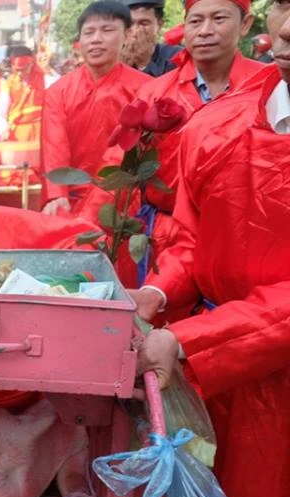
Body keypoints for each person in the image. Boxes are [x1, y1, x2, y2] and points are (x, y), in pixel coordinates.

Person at [134, 1, 290, 497]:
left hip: (241, 356)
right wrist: (161, 293)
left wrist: (193, 339)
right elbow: (191, 238)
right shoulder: (218, 125)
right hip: (227, 379)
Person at [132, 0, 260, 288]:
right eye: (195, 21)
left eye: (218, 19)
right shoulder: (153, 91)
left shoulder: (266, 87)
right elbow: (121, 165)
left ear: (246, 24)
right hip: (166, 238)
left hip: (243, 238)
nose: (205, 31)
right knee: (159, 313)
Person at [41, 1, 150, 227]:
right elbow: (54, 148)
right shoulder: (58, 91)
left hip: (124, 199)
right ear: (80, 40)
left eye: (107, 30)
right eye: (88, 32)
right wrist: (56, 194)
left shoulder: (146, 89)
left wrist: (95, 209)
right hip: (68, 199)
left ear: (127, 35)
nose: (96, 39)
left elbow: (126, 155)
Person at [0, 45, 46, 142]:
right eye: (17, 70)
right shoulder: (9, 84)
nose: (19, 73)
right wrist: (3, 129)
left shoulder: (45, 80)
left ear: (31, 64)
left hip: (41, 133)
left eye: (23, 69)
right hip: (17, 135)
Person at [122, 0, 183, 77]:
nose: (135, 31)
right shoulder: (112, 54)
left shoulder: (175, 56)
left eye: (144, 24)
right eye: (130, 24)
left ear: (159, 25)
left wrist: (144, 64)